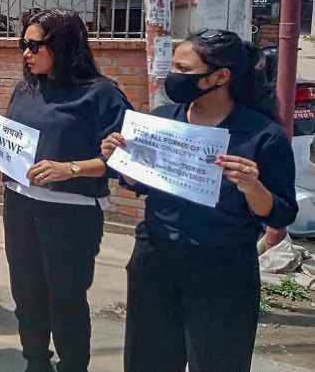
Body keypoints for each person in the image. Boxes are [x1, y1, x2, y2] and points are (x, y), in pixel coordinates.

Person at [100, 30, 298, 372]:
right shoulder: (163, 120)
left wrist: (252, 186)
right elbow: (144, 184)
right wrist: (121, 161)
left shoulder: (262, 136)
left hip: (223, 268)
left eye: (183, 69)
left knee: (217, 360)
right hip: (156, 259)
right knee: (148, 358)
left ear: (220, 76)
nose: (172, 76)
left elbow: (280, 213)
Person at [0, 9, 132, 372]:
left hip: (72, 213)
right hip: (20, 205)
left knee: (66, 296)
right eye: (23, 44)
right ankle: (35, 360)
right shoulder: (26, 90)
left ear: (64, 46)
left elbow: (128, 160)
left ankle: (72, 364)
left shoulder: (101, 95)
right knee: (26, 291)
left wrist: (70, 168)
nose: (26, 52)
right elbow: (16, 143)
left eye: (35, 45)